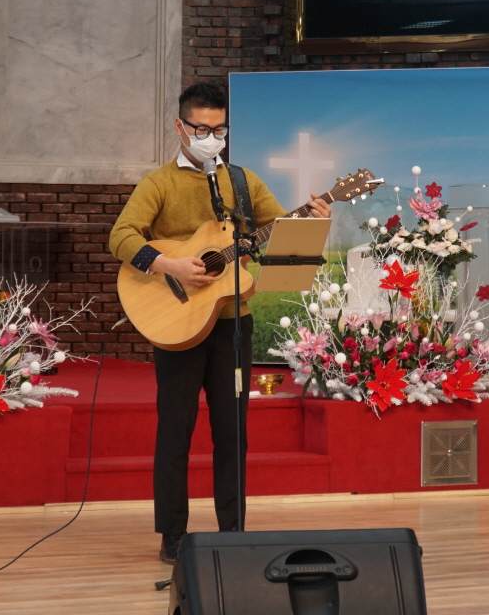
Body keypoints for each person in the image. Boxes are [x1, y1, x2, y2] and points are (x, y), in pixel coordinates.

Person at [109, 81, 331, 564]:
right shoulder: (159, 184)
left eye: (220, 130)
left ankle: (232, 531)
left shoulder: (242, 182)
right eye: (201, 129)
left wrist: (313, 221)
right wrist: (170, 265)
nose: (212, 138)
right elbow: (121, 236)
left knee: (232, 434)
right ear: (180, 127)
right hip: (176, 323)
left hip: (233, 324)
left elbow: (282, 235)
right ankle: (173, 535)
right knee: (176, 432)